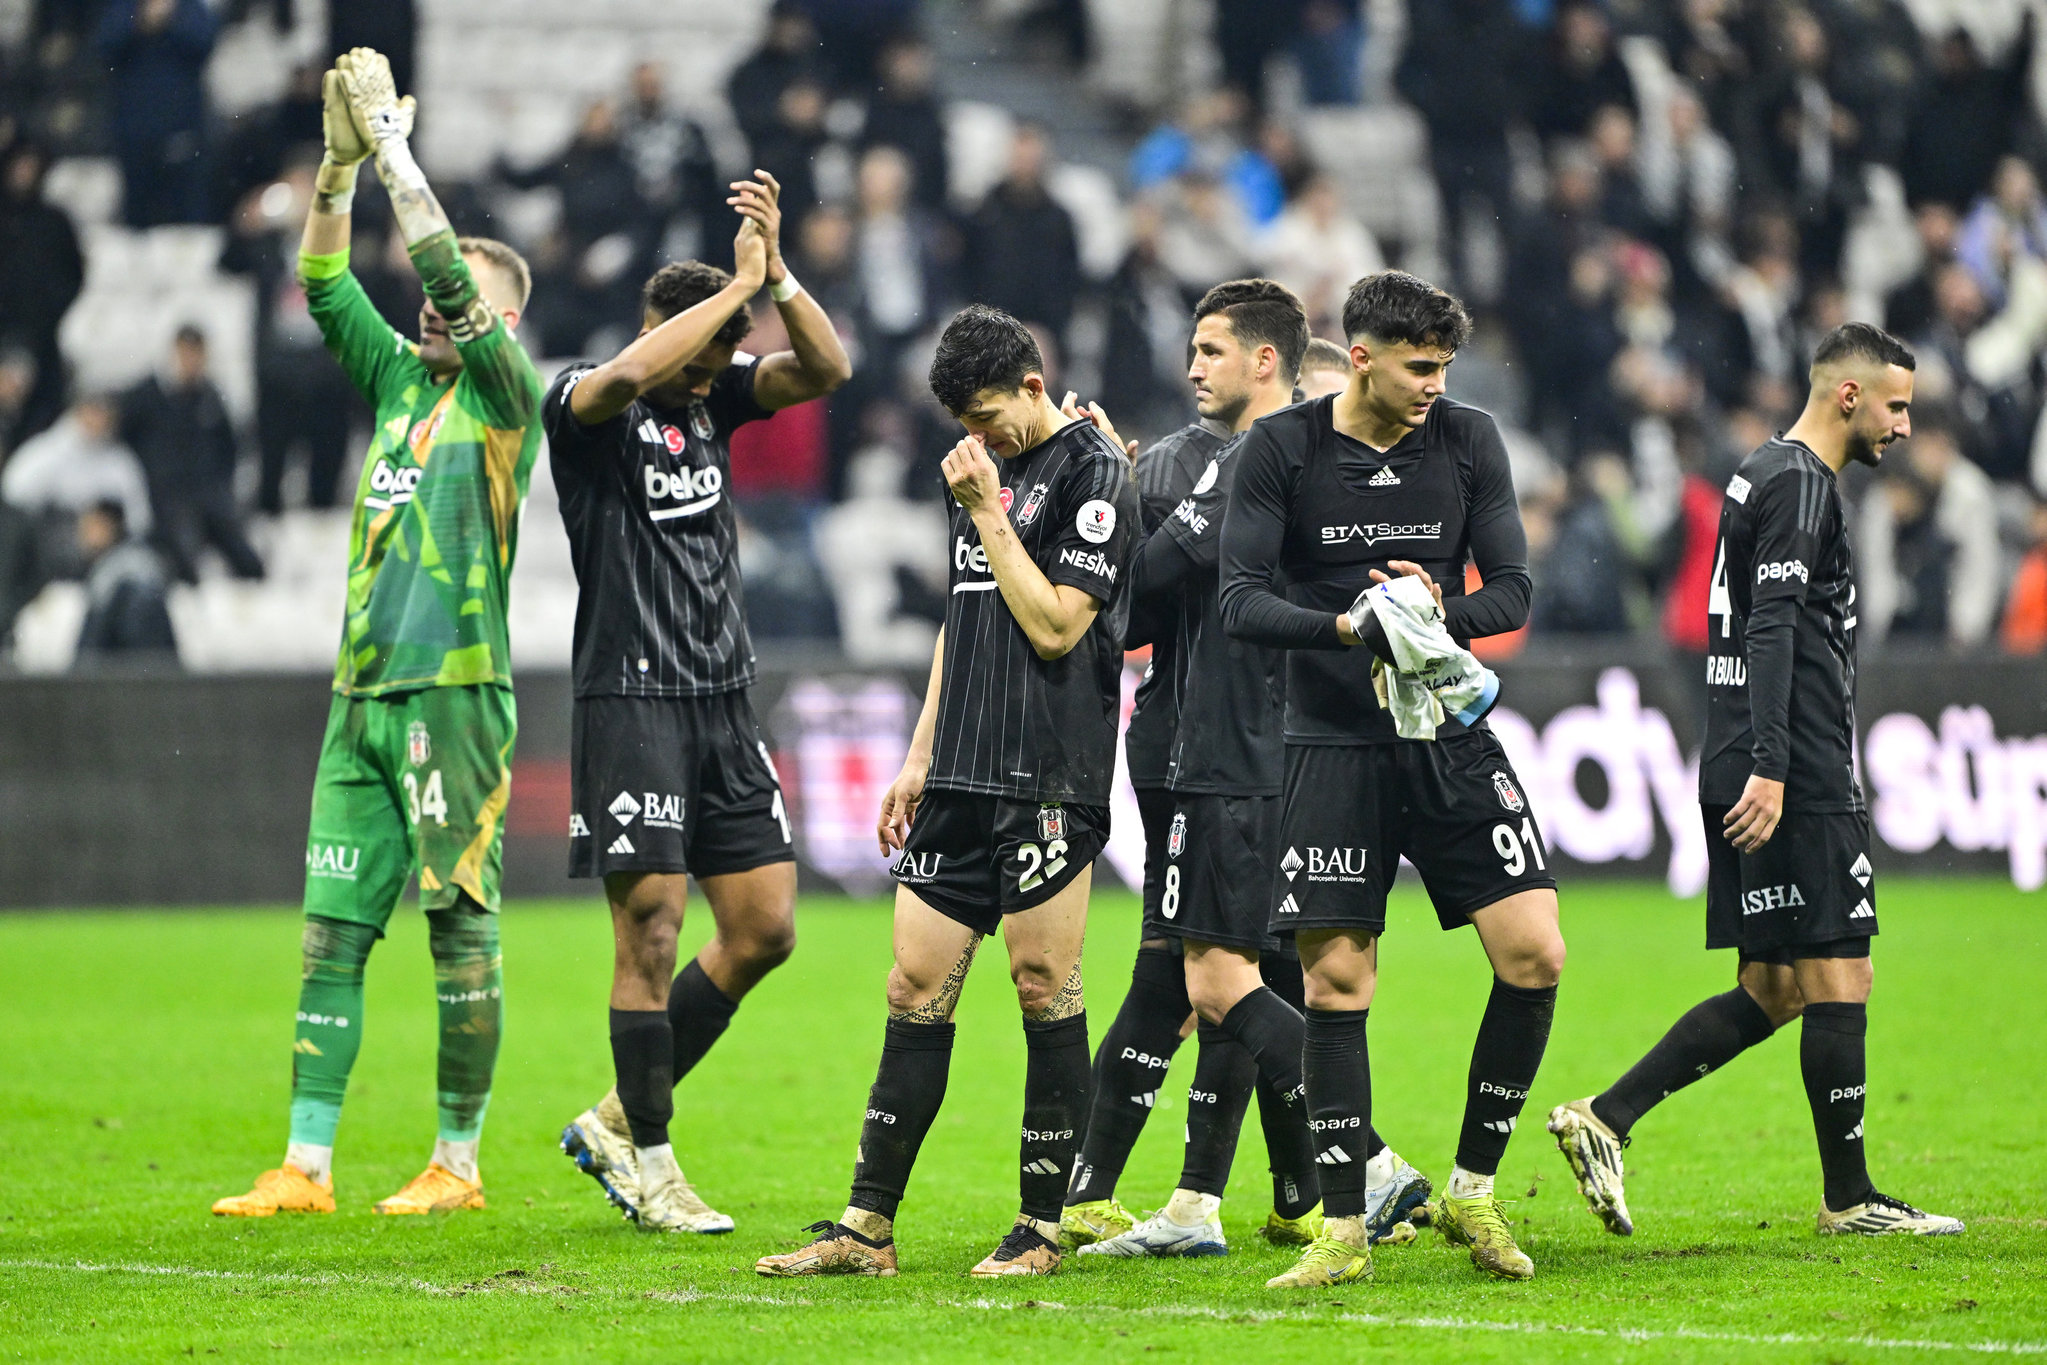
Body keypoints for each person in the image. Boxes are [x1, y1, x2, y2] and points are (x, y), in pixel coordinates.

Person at [211, 49, 543, 1220]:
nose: (426, 310)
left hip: (455, 690)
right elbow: (318, 279)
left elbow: (445, 271)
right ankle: (304, 1169)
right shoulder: (404, 387)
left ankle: (457, 1160)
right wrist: (339, 166)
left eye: (455, 301)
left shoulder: (508, 397)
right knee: (329, 937)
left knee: (459, 928)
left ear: (499, 320)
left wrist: (400, 150)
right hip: (359, 695)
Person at [1548, 323, 1965, 1239]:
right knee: (1841, 970)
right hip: (1793, 768)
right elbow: (1772, 626)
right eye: (1895, 405)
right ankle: (1850, 1199)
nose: (1902, 426)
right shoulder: (1802, 486)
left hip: (1740, 756)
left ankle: (1603, 1118)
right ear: (1847, 395)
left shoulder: (1758, 470)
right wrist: (1777, 767)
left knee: (1776, 987)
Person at [755, 306, 1138, 1279]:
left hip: (1049, 772)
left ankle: (1042, 1225)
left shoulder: (1094, 474)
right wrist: (920, 753)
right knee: (914, 984)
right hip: (961, 772)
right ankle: (865, 1229)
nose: (982, 437)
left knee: (1041, 983)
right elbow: (962, 622)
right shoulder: (980, 470)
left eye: (991, 415)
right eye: (965, 421)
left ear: (1032, 386)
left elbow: (1056, 626)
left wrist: (985, 512)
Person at [1072, 281, 1429, 1263]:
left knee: (1211, 974)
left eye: (1211, 351)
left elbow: (1137, 590)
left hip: (1235, 748)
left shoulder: (1260, 462)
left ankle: (1368, 1160)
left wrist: (1110, 487)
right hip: (1263, 746)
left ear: (1264, 361)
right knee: (1234, 968)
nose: (1191, 368)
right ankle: (1215, 1200)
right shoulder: (1284, 463)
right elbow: (1143, 618)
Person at [1220, 270, 1560, 1287]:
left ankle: (1471, 1189)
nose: (1433, 385)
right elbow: (1237, 601)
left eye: (1443, 367)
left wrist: (1430, 609)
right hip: (1329, 743)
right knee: (1337, 981)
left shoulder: (1467, 440)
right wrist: (1342, 623)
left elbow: (1510, 590)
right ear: (1358, 357)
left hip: (1445, 737)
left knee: (1533, 953)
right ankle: (1341, 1231)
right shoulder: (1281, 449)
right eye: (1418, 367)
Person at [545, 167, 850, 1233]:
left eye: (727, 350)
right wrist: (730, 294)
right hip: (630, 699)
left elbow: (827, 366)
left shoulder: (714, 395)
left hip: (724, 699)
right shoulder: (587, 406)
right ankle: (653, 1160)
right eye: (711, 345)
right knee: (654, 928)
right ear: (669, 331)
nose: (723, 367)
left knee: (764, 928)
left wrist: (778, 283)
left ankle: (616, 1118)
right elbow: (628, 376)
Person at [120, 325, 265, 584]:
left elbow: (230, 445)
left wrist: (222, 483)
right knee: (185, 553)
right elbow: (125, 443)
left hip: (208, 491)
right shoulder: (146, 396)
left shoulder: (210, 396)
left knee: (246, 557)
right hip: (167, 495)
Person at [72, 499, 177, 667]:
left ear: (110, 525)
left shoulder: (124, 570)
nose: (83, 535)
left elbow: (93, 645)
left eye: (92, 526)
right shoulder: (133, 561)